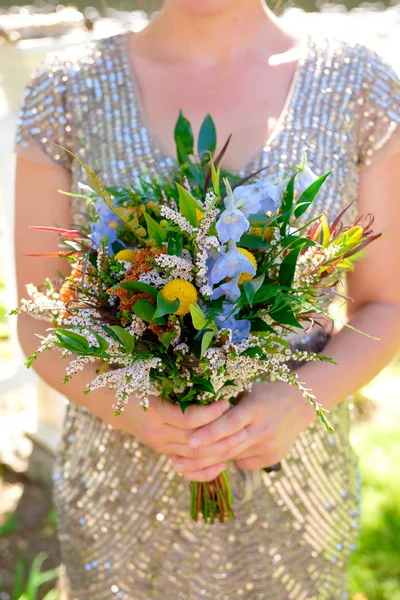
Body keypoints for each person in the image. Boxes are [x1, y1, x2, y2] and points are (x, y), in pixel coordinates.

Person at [14, 0, 400, 598]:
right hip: (120, 482)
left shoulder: (357, 84)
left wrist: (295, 405)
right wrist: (145, 418)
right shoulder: (67, 89)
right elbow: (41, 317)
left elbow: (385, 304)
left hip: (293, 478)